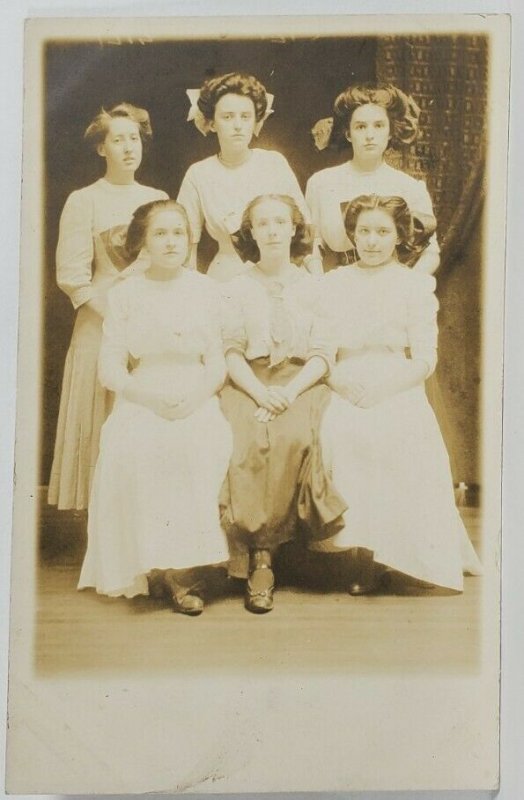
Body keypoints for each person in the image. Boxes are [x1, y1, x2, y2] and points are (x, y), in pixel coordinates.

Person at [315, 194, 482, 593]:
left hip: (396, 379)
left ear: (399, 237)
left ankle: (394, 551)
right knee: (342, 433)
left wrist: (385, 387)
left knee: (398, 433)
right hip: (344, 376)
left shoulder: (413, 285)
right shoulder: (333, 283)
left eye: (382, 232)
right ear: (352, 234)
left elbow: (425, 358)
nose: (372, 241)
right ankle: (358, 552)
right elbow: (319, 346)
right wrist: (338, 380)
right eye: (364, 231)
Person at [78, 200, 232, 615]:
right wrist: (147, 398)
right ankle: (161, 567)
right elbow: (111, 367)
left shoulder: (207, 290)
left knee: (201, 443)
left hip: (195, 391)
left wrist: (197, 397)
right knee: (138, 444)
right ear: (143, 241)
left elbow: (216, 362)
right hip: (143, 394)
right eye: (160, 233)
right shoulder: (126, 294)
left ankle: (185, 571)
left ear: (189, 239)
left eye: (178, 233)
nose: (170, 242)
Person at [219, 194, 347, 613]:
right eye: (262, 223)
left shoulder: (316, 286)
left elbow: (323, 354)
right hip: (251, 380)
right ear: (250, 232)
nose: (272, 230)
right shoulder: (235, 287)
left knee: (293, 434)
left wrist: (287, 394)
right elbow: (232, 351)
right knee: (247, 436)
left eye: (280, 222)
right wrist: (260, 393)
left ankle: (282, 551)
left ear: (294, 229)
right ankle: (259, 557)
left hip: (302, 380)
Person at [48, 103, 168, 510]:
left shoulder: (156, 199)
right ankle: (100, 546)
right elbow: (73, 277)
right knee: (100, 427)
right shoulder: (84, 201)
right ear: (102, 149)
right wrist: (116, 317)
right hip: (99, 326)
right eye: (118, 140)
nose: (128, 147)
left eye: (134, 138)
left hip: (150, 326)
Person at [177, 72, 322, 282]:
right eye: (227, 117)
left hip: (280, 273)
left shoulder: (274, 163)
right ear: (212, 122)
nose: (237, 125)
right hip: (226, 276)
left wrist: (318, 279)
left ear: (255, 120)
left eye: (245, 116)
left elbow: (305, 230)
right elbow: (187, 245)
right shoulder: (198, 174)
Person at [306, 83, 439, 274]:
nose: (369, 135)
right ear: (348, 134)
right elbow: (311, 245)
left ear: (391, 132)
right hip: (336, 288)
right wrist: (321, 286)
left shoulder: (410, 187)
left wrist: (406, 289)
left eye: (378, 126)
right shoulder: (321, 183)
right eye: (360, 127)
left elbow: (431, 252)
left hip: (391, 290)